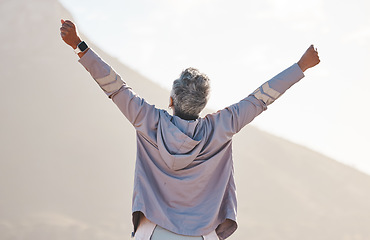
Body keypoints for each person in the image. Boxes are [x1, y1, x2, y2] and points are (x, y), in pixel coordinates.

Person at [60, 19, 320, 240]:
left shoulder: (147, 119)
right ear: (203, 106)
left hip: (152, 232)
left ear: (171, 100)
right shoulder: (221, 126)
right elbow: (260, 98)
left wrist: (78, 46)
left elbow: (114, 86)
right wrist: (301, 66)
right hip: (202, 234)